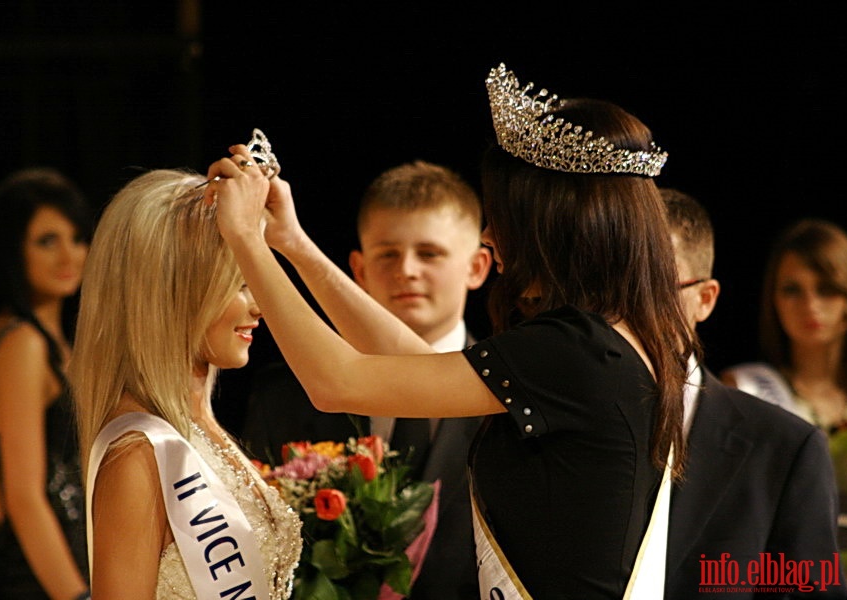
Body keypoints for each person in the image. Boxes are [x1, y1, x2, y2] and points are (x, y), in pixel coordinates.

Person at [207, 63, 696, 598]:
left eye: (502, 214)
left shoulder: (575, 350)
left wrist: (245, 240)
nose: (489, 235)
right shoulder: (608, 340)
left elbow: (337, 382)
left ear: (550, 223)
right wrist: (293, 244)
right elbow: (413, 364)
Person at [242, 159, 490, 599]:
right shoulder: (284, 393)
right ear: (357, 267)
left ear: (477, 266)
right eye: (388, 254)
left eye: (429, 253)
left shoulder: (506, 395)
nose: (406, 270)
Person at [68, 169, 302, 599]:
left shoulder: (199, 427)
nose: (260, 305)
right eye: (239, 283)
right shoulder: (139, 454)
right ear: (173, 290)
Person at [661, 188, 847, 599]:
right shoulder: (563, 420)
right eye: (792, 289)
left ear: (705, 298)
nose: (810, 306)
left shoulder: (782, 441)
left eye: (659, 288)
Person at [0, 168, 91, 599]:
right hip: (41, 582)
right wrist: (76, 595)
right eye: (46, 241)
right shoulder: (22, 343)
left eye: (77, 238)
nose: (69, 256)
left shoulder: (43, 337)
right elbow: (23, 495)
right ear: (11, 250)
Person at [721, 218, 847, 591]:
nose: (810, 305)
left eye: (827, 289)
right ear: (772, 299)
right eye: (792, 290)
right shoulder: (746, 390)